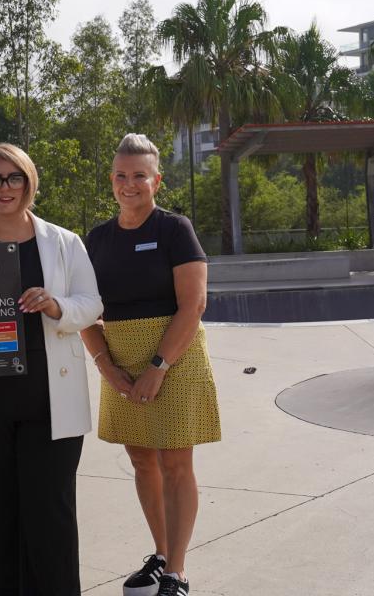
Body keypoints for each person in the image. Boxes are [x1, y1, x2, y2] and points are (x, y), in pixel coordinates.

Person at [0, 143, 103, 595]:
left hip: (49, 404)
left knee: (51, 522)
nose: (4, 187)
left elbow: (92, 303)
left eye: (14, 177)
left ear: (29, 182)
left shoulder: (64, 242)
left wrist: (56, 305)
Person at [80, 134, 220, 596]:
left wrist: (159, 365)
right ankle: (160, 555)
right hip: (118, 359)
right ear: (111, 180)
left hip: (173, 358)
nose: (129, 184)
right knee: (141, 459)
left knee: (176, 461)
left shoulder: (174, 229)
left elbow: (193, 304)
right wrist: (106, 365)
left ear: (157, 180)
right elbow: (84, 311)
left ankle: (177, 573)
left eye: (139, 175)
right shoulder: (96, 239)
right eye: (121, 175)